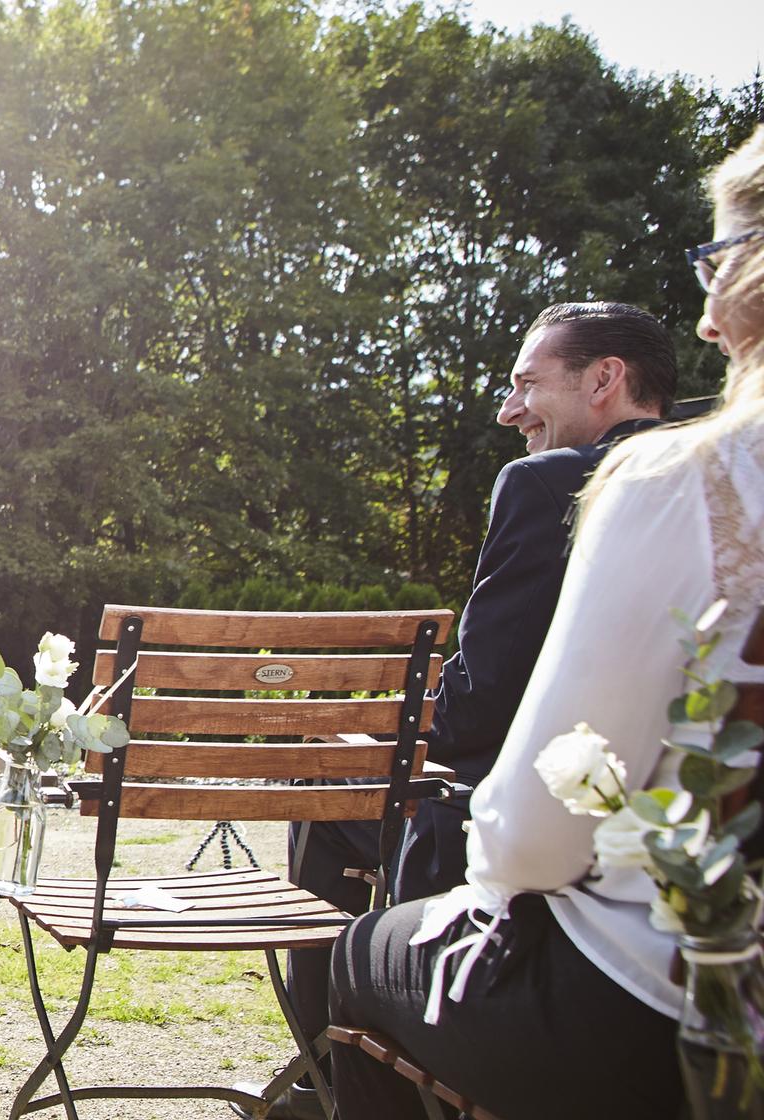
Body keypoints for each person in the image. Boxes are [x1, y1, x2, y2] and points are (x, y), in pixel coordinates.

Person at [327, 125, 764, 1120]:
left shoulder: (659, 485)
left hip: (672, 997)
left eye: (719, 262)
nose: (703, 321)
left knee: (363, 938)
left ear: (601, 379)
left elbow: (518, 816)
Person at [281, 301, 676, 1079]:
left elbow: (474, 708)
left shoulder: (550, 484)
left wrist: (375, 735)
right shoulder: (715, 482)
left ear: (605, 379)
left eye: (528, 383)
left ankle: (328, 1078)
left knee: (322, 791)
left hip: (525, 830)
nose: (508, 410)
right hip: (674, 837)